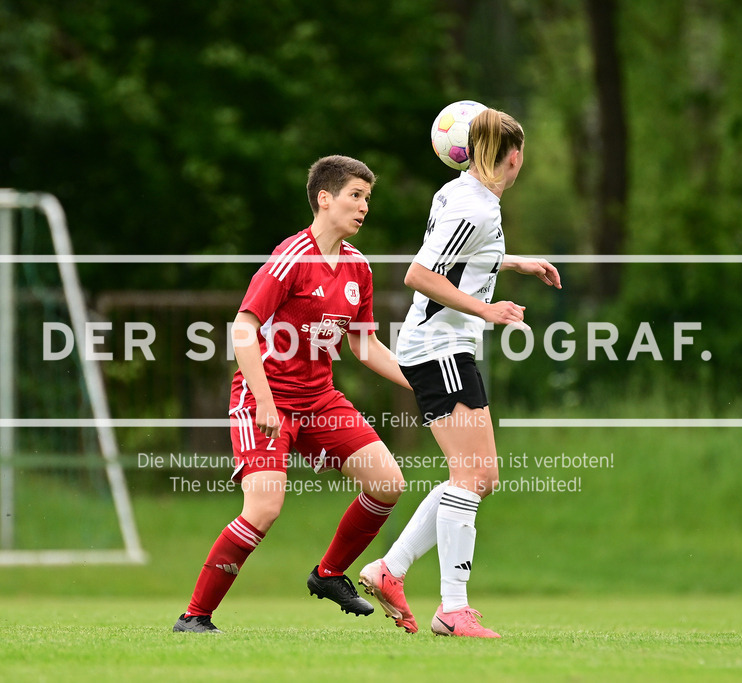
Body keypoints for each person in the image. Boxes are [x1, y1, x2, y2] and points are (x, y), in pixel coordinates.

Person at [174, 155, 411, 633]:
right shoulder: (291, 258)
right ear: (324, 199)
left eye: (368, 198)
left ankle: (328, 574)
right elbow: (243, 328)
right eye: (355, 196)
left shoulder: (357, 268)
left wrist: (421, 381)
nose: (365, 207)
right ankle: (195, 617)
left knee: (387, 482)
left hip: (319, 398)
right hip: (265, 397)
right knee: (264, 507)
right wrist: (262, 400)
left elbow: (363, 343)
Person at [358, 108, 561, 638]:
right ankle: (451, 609)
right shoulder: (476, 208)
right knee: (474, 475)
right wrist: (486, 308)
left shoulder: (460, 192)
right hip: (440, 347)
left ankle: (390, 569)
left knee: (476, 477)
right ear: (512, 157)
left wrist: (513, 263)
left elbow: (457, 256)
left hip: (445, 347)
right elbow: (419, 274)